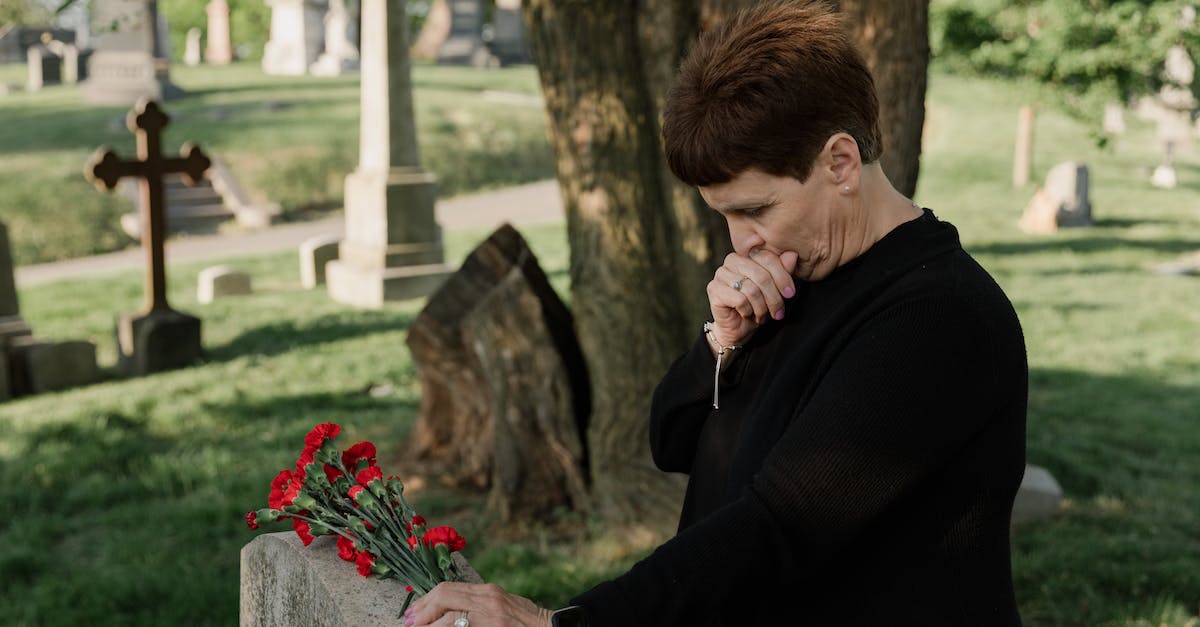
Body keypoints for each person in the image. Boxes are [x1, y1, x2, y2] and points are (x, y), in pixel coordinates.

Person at [406, 2, 1027, 626]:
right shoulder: (801, 272)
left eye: (756, 210)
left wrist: (558, 624)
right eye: (723, 215)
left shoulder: (939, 320)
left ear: (839, 162)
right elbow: (672, 442)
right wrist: (723, 344)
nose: (740, 242)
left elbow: (781, 528)